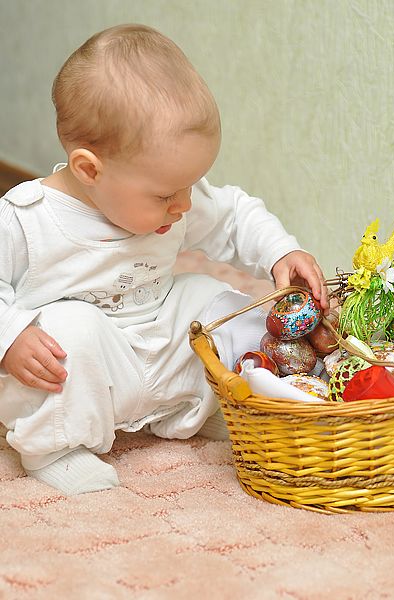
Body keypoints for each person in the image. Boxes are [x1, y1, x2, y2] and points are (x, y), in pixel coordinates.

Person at [0, 24, 328, 496]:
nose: (185, 206)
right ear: (89, 170)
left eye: (190, 186)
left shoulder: (167, 200)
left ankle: (201, 408)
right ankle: (55, 446)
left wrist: (280, 251)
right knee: (70, 330)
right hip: (73, 369)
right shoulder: (27, 217)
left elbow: (234, 215)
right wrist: (12, 335)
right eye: (167, 194)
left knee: (215, 301)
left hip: (151, 334)